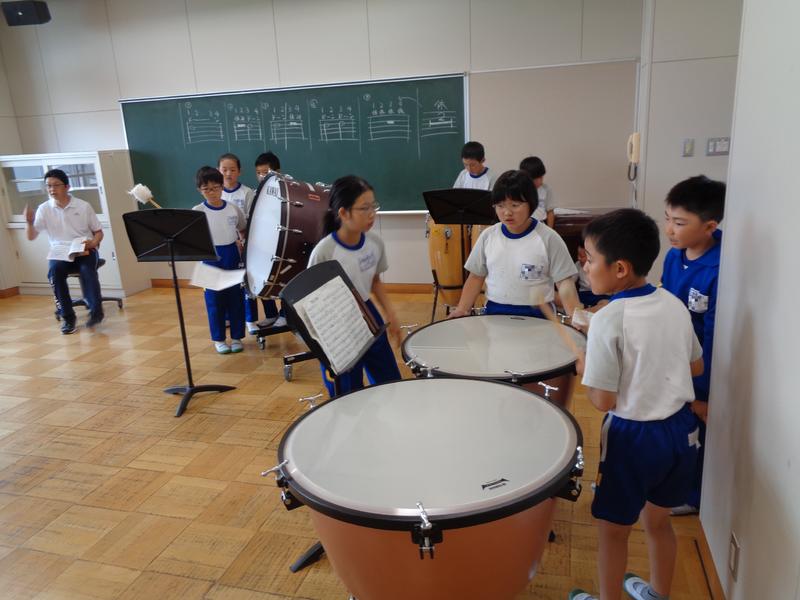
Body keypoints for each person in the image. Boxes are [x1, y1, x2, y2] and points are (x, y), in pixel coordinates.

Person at [569, 209, 704, 600]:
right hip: (681, 432)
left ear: (620, 268)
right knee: (659, 523)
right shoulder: (673, 303)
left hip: (633, 438)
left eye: (590, 259)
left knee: (613, 532)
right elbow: (695, 366)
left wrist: (586, 368)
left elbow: (602, 401)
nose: (585, 267)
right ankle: (658, 593)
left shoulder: (609, 320)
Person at [661, 175, 725, 516]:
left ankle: (693, 496)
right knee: (676, 427)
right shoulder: (674, 257)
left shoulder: (721, 268)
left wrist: (701, 393)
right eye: (668, 219)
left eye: (680, 223)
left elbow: (715, 337)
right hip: (675, 362)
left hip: (701, 370)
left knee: (697, 436)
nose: (669, 229)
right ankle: (672, 483)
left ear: (710, 226)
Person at [307, 175, 402, 397]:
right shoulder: (324, 252)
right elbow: (311, 301)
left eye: (373, 206)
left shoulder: (375, 243)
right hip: (336, 324)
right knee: (347, 394)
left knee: (389, 382)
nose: (372, 214)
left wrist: (391, 314)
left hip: (369, 316)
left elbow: (375, 281)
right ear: (343, 213)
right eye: (364, 208)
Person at [449, 169, 580, 320]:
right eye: (500, 206)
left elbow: (564, 283)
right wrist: (462, 309)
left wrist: (575, 317)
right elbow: (475, 277)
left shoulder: (549, 238)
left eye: (515, 205)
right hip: (495, 313)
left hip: (539, 317)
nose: (507, 212)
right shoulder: (488, 236)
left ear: (531, 205)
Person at [23, 169, 104, 334]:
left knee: (87, 270)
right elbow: (31, 237)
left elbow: (98, 232)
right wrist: (29, 223)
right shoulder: (44, 209)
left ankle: (96, 312)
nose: (52, 189)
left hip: (84, 250)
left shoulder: (83, 206)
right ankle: (68, 317)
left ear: (67, 187)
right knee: (54, 272)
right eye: (48, 186)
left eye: (56, 185)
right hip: (60, 252)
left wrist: (94, 243)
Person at [193, 166, 247, 354]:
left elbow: (242, 229)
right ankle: (219, 339)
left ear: (222, 186)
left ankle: (237, 337)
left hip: (232, 255)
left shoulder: (233, 208)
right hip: (209, 257)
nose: (212, 192)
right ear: (200, 190)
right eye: (206, 189)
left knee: (235, 299)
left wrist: (242, 243)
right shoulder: (197, 211)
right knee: (214, 302)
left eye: (215, 187)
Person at [247, 151, 285, 332]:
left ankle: (286, 314)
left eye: (266, 172)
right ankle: (271, 314)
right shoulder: (256, 194)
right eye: (259, 173)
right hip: (264, 244)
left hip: (283, 243)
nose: (262, 176)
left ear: (278, 171)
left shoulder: (288, 190)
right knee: (263, 277)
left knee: (285, 279)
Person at [519, 155, 555, 228]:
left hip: (540, 224)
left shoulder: (546, 189)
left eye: (541, 177)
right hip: (522, 225)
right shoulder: (519, 189)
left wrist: (550, 230)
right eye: (536, 179)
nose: (540, 181)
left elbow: (550, 212)